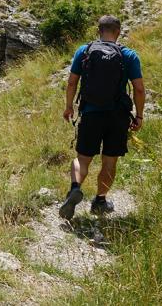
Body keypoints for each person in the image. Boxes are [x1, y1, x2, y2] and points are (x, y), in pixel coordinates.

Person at [58, 15, 144, 220]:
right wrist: (139, 116)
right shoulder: (128, 55)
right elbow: (139, 89)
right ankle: (99, 200)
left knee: (82, 159)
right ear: (118, 32)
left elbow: (72, 83)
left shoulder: (85, 51)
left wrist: (69, 107)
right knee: (109, 162)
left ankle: (75, 188)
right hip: (118, 117)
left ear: (99, 31)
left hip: (91, 113)